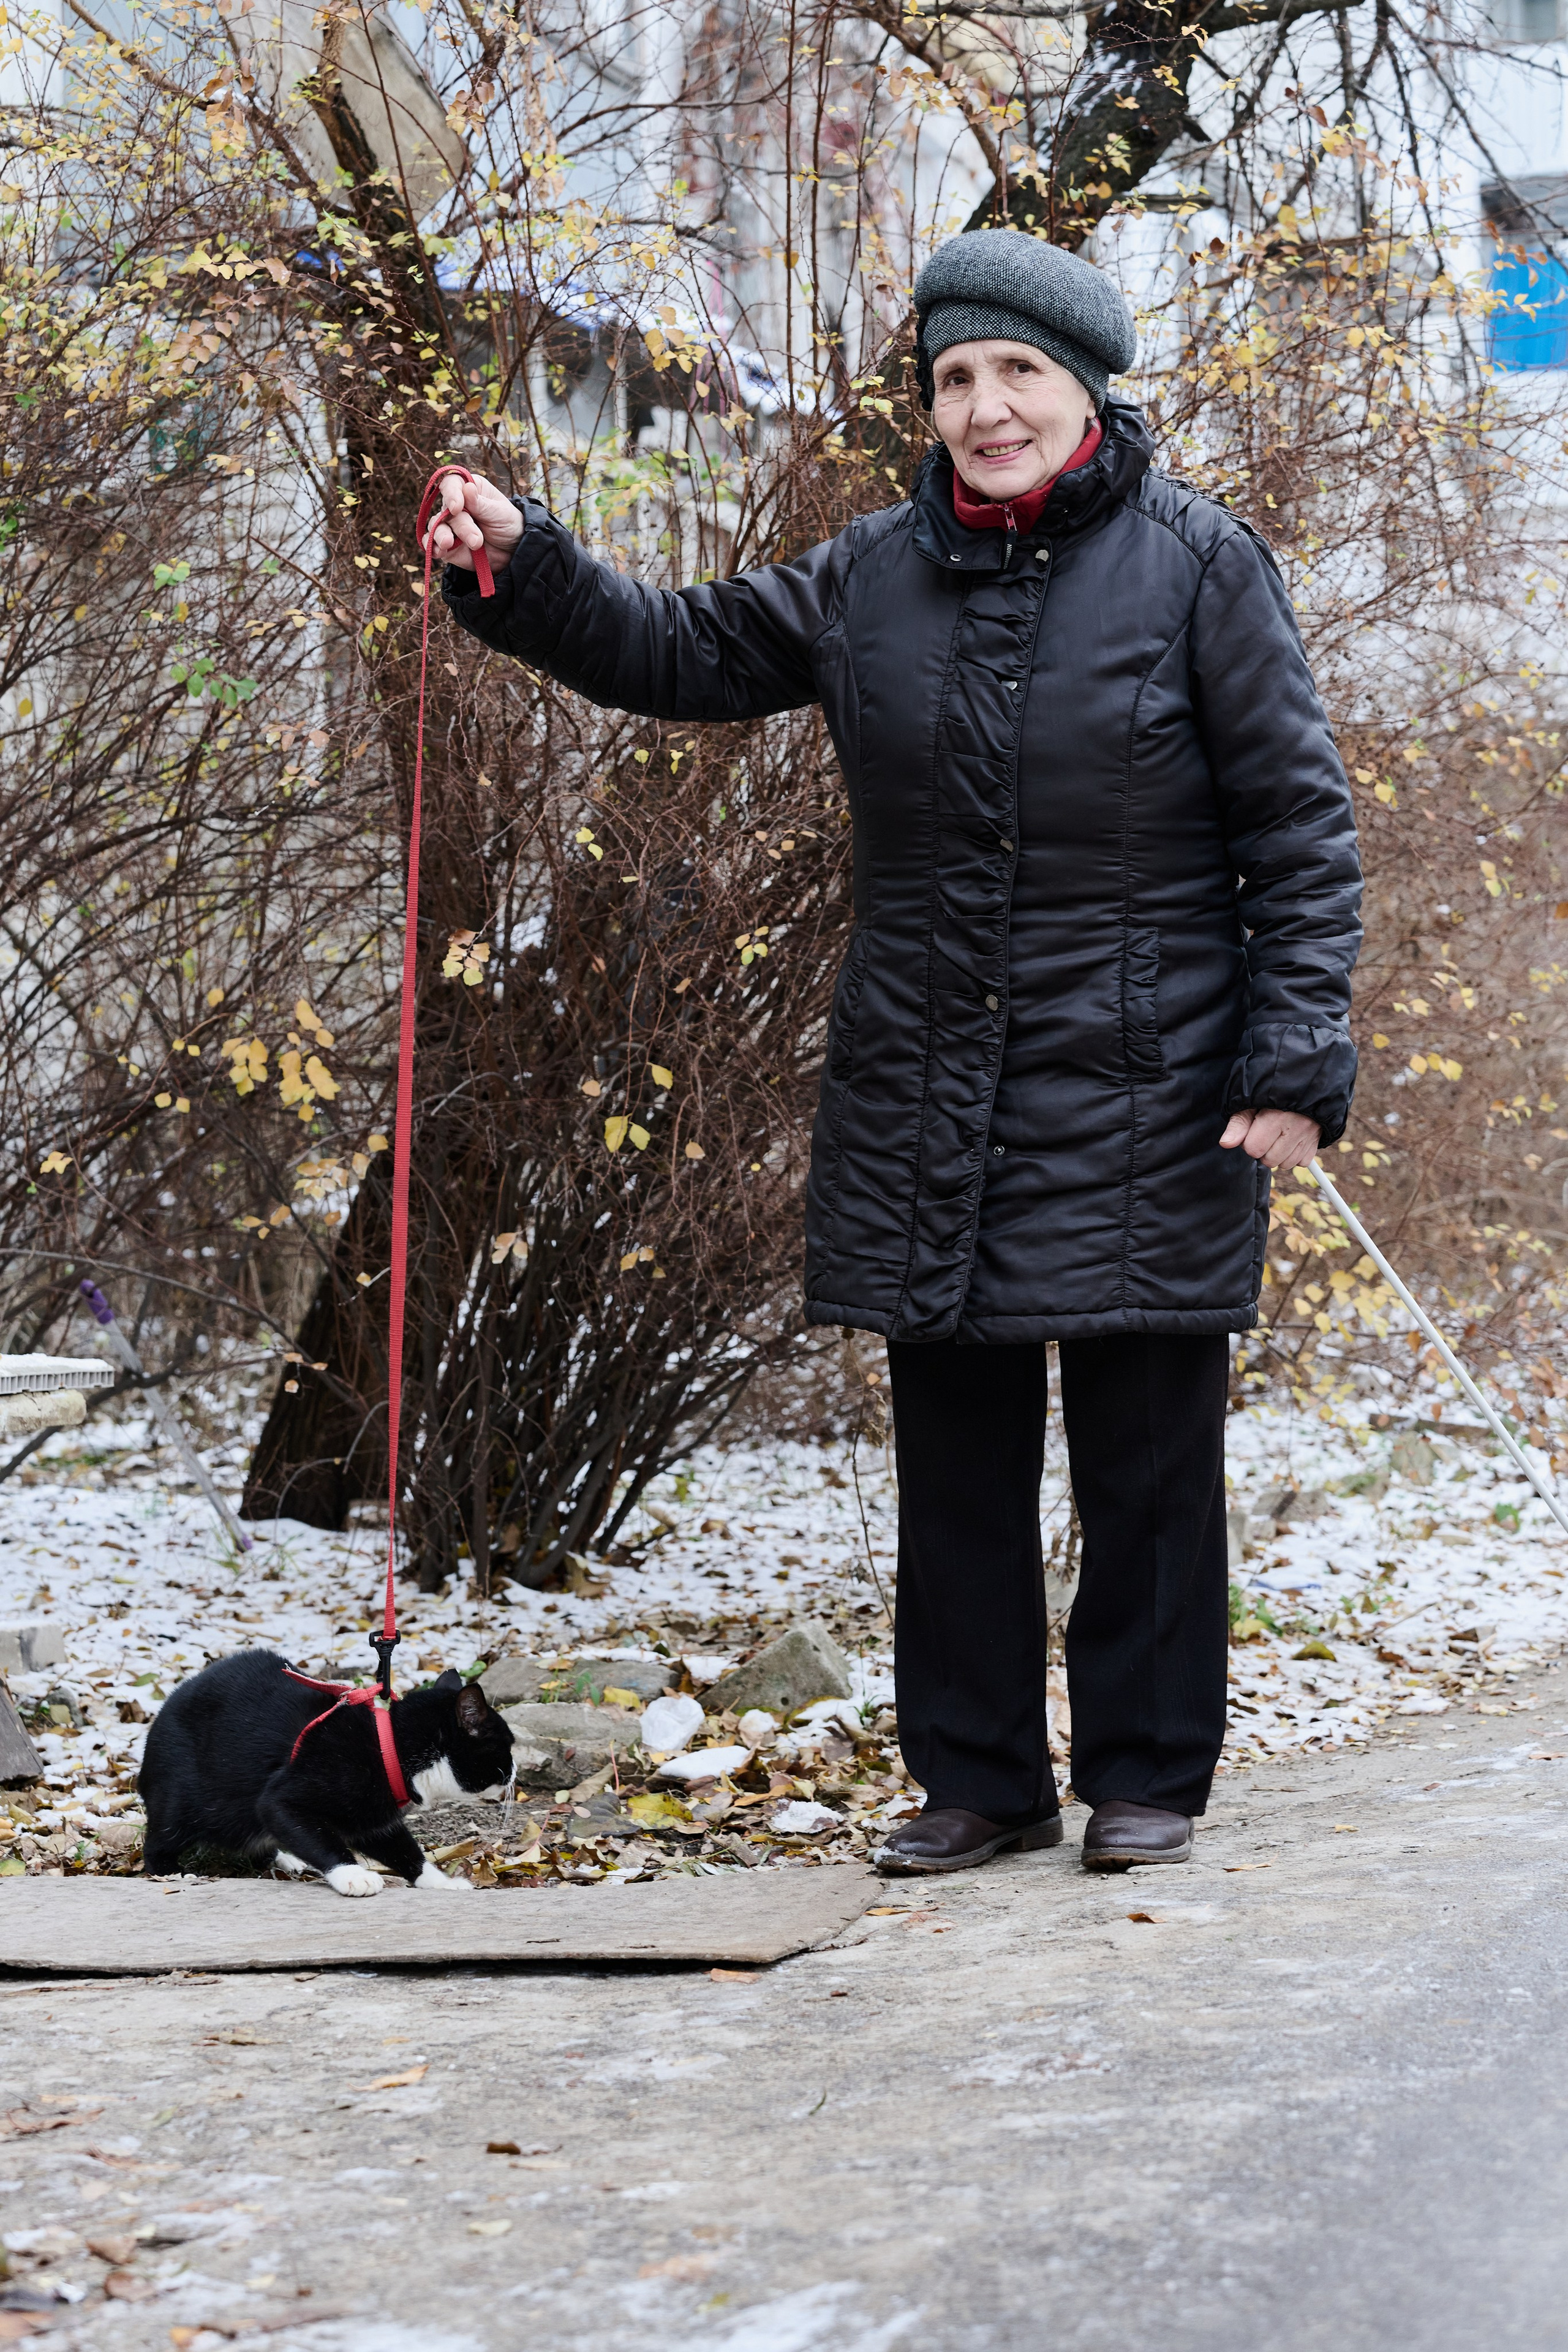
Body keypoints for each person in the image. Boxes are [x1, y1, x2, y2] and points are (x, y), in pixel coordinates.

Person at [430, 228, 1362, 1876]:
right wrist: (523, 562)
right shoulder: (870, 575)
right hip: (930, 1082)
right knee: (957, 1461)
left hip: (1159, 1085)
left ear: (1083, 389)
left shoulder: (1203, 567)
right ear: (926, 403)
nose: (988, 409)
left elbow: (1297, 829)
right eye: (955, 379)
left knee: (1147, 1455)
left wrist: (1292, 1062)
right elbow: (682, 648)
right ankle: (981, 1779)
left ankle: (1148, 1772)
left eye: (1019, 375)